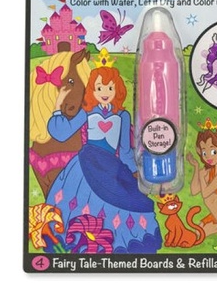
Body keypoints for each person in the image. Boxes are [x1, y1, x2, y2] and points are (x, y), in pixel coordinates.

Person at [44, 65, 162, 253]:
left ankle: (116, 243)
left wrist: (138, 172)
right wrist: (58, 107)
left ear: (117, 90)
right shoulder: (87, 112)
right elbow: (62, 133)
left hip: (112, 166)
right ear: (92, 90)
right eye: (99, 88)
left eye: (110, 87)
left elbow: (125, 150)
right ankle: (78, 240)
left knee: (130, 200)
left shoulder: (122, 115)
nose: (105, 93)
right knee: (83, 204)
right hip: (85, 165)